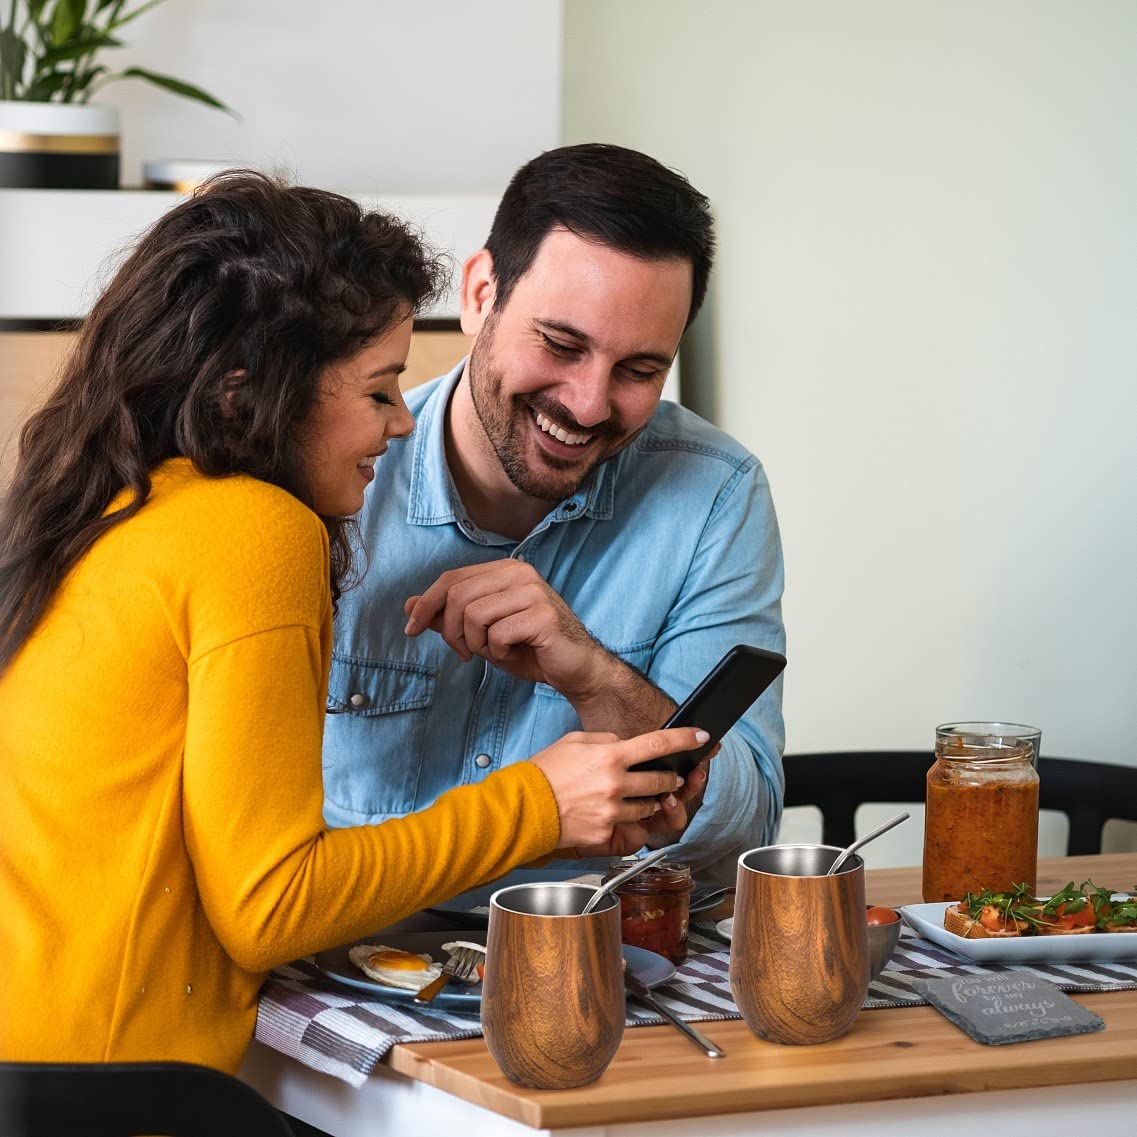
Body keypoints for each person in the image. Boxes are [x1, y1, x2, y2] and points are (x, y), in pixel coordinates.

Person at [0, 172, 706, 1073]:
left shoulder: (119, 502)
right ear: (249, 393)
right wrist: (539, 802)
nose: (400, 424)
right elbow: (271, 907)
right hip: (129, 1093)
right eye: (377, 391)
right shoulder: (255, 530)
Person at [324, 144, 786, 883]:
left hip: (609, 962)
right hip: (349, 965)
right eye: (561, 344)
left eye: (639, 370)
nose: (588, 404)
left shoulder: (715, 496)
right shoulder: (331, 481)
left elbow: (738, 837)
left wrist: (595, 677)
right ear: (480, 294)